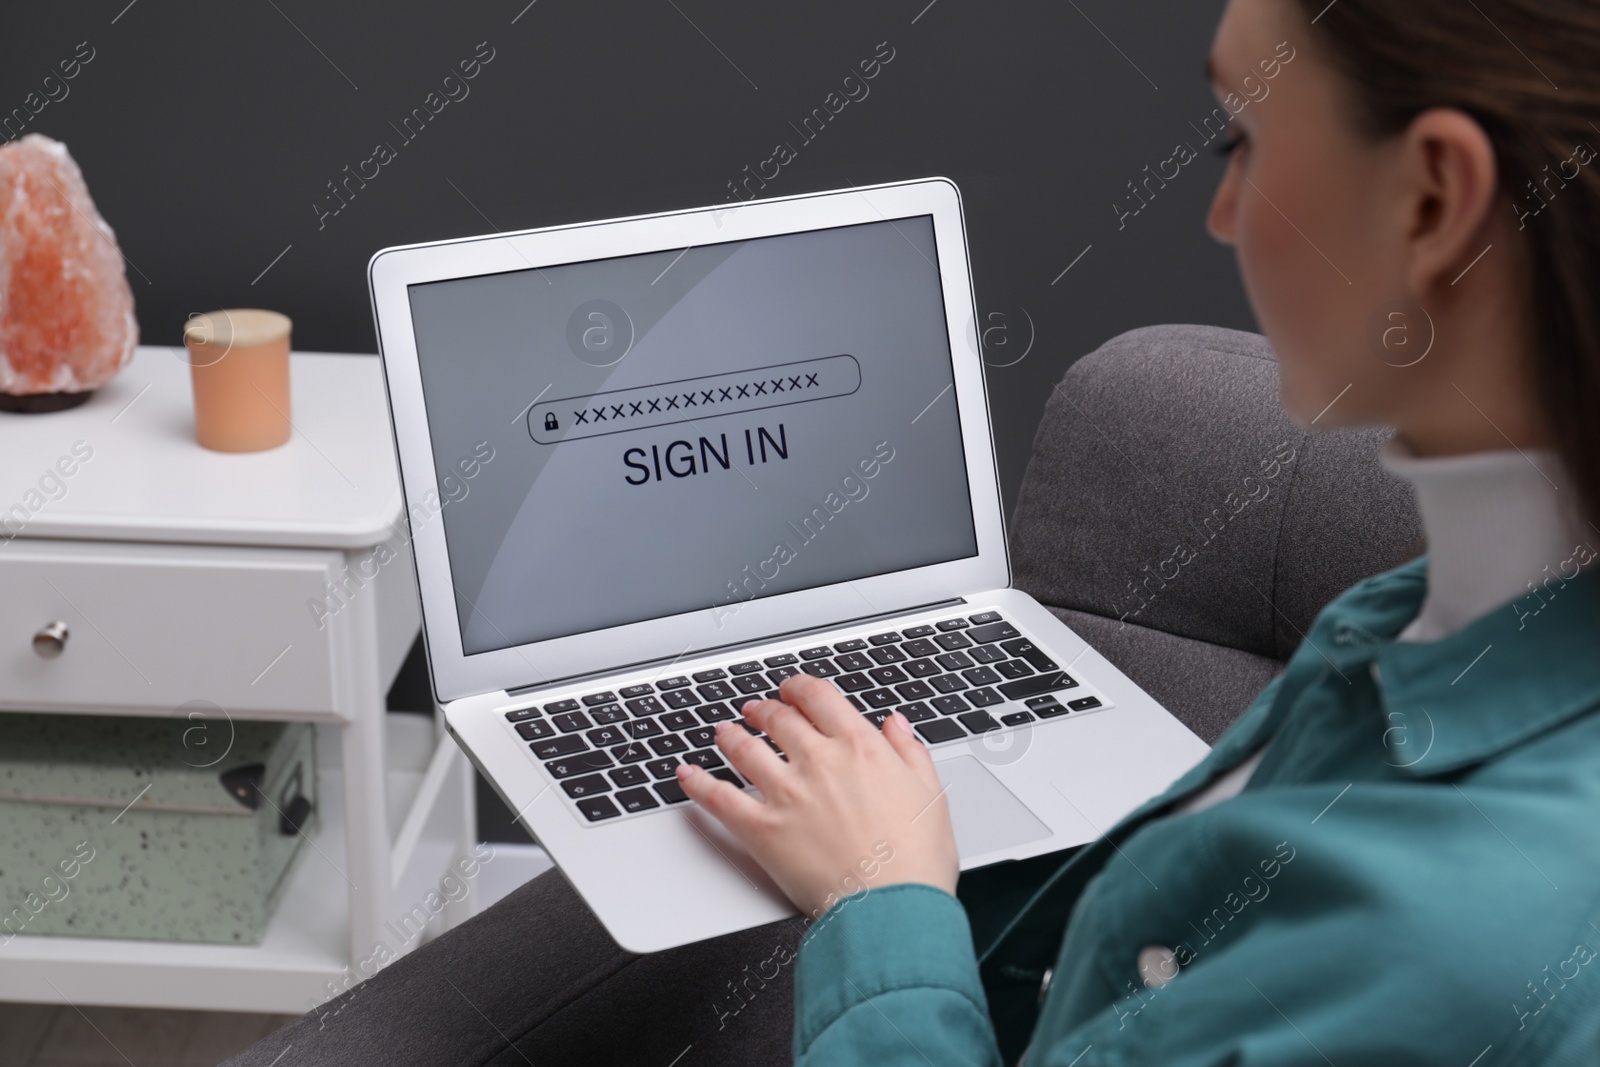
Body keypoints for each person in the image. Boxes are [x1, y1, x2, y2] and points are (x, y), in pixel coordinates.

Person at [229, 0, 1600, 1062]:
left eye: (1238, 137)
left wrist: (882, 896)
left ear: (1431, 199)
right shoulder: (1440, 615)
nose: (1220, 212)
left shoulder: (1449, 944)